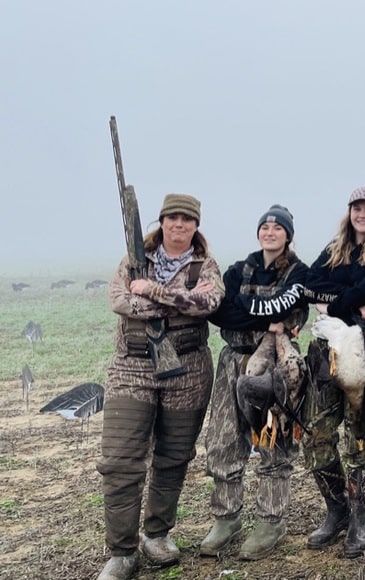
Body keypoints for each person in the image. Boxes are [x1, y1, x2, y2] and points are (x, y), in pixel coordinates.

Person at [97, 194, 224, 580]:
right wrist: (174, 305)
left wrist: (152, 291)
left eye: (187, 219)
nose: (179, 225)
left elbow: (208, 303)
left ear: (195, 225)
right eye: (172, 218)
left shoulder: (206, 265)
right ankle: (122, 552)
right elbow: (119, 300)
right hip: (132, 366)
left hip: (187, 369)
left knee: (173, 456)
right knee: (120, 461)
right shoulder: (135, 259)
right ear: (162, 221)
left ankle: (157, 535)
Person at [201, 205, 310, 560]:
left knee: (273, 441)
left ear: (288, 235)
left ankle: (271, 520)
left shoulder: (299, 272)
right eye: (265, 226)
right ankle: (227, 517)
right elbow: (218, 311)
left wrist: (245, 307)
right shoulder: (237, 270)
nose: (270, 231)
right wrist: (262, 311)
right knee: (222, 438)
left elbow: (288, 310)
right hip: (232, 358)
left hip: (277, 363)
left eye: (278, 227)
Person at [302, 186, 365, 558]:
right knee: (316, 432)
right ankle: (337, 508)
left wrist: (337, 299)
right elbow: (311, 285)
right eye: (357, 208)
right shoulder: (334, 247)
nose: (363, 214)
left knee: (360, 432)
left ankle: (360, 516)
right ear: (349, 211)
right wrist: (352, 298)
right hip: (329, 348)